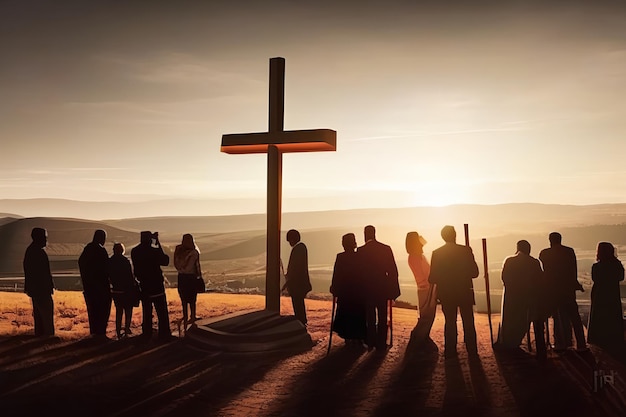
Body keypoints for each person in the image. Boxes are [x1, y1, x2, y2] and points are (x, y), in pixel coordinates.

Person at [428, 225, 479, 358]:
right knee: (468, 321)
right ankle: (472, 350)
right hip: (464, 292)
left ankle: (450, 350)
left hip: (447, 293)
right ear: (455, 235)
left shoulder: (437, 253)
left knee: (450, 321)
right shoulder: (466, 250)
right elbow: (475, 273)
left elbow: (432, 277)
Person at [539, 232, 587, 352]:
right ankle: (581, 344)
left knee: (557, 316)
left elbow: (546, 271)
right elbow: (573, 271)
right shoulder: (569, 251)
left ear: (550, 240)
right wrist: (576, 285)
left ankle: (560, 343)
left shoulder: (545, 253)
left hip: (553, 290)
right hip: (567, 289)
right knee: (574, 317)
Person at [499, 240, 547, 359]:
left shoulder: (509, 261)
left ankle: (510, 342)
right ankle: (541, 350)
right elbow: (540, 280)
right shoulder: (534, 262)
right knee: (533, 320)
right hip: (529, 297)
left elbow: (504, 278)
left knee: (512, 320)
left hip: (512, 296)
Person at [357, 225, 400, 351]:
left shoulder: (361, 251)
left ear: (365, 235)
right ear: (375, 234)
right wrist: (392, 290)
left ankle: (370, 341)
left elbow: (358, 272)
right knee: (382, 316)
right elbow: (393, 271)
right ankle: (381, 343)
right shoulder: (385, 249)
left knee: (370, 316)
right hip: (382, 288)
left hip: (367, 289)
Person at [131, 231, 172, 341]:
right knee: (161, 311)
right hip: (156, 284)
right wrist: (157, 243)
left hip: (144, 285)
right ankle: (164, 333)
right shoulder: (153, 251)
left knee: (147, 310)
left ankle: (147, 333)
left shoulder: (135, 251)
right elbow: (165, 260)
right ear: (150, 239)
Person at [330, 233, 366, 345]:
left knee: (346, 313)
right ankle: (358, 337)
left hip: (345, 292)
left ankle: (348, 337)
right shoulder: (359, 256)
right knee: (357, 314)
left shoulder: (340, 257)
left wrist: (334, 288)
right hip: (357, 292)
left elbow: (336, 275)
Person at [587, 242, 624, 351]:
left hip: (599, 293)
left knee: (598, 315)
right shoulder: (617, 265)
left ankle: (598, 338)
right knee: (613, 315)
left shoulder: (596, 266)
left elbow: (595, 279)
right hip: (612, 293)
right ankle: (613, 338)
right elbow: (621, 277)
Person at [406, 231, 437, 350]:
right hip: (425, 288)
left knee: (428, 314)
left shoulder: (418, 255)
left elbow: (424, 242)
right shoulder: (414, 257)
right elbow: (422, 274)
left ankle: (424, 336)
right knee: (426, 315)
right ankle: (418, 336)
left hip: (427, 287)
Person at [78, 229, 111, 338]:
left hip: (89, 287)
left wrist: (86, 279)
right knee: (102, 311)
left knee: (92, 311)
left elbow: (81, 263)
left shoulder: (87, 249)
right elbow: (107, 268)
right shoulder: (101, 250)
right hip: (101, 288)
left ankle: (94, 333)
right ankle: (101, 333)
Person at [23, 227, 55, 337]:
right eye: (45, 237)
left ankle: (40, 337)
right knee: (46, 316)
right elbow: (42, 274)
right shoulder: (38, 252)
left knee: (39, 316)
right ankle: (47, 339)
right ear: (39, 238)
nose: (46, 240)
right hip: (41, 290)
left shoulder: (31, 250)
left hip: (36, 290)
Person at [108, 243, 138, 340]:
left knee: (119, 311)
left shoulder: (110, 261)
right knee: (128, 309)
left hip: (116, 290)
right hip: (126, 290)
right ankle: (127, 329)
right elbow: (130, 276)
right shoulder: (125, 261)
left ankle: (117, 330)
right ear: (122, 250)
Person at [282, 229, 312, 326]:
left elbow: (295, 268)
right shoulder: (300, 248)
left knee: (298, 305)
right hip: (298, 284)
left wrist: (288, 281)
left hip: (297, 284)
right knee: (299, 305)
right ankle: (302, 322)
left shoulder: (299, 248)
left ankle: (301, 323)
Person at [174, 233, 203, 326]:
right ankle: (193, 316)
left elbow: (175, 264)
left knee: (184, 298)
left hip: (181, 277)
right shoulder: (194, 252)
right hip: (191, 277)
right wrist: (199, 277)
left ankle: (185, 316)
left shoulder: (178, 250)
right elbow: (196, 266)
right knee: (192, 298)